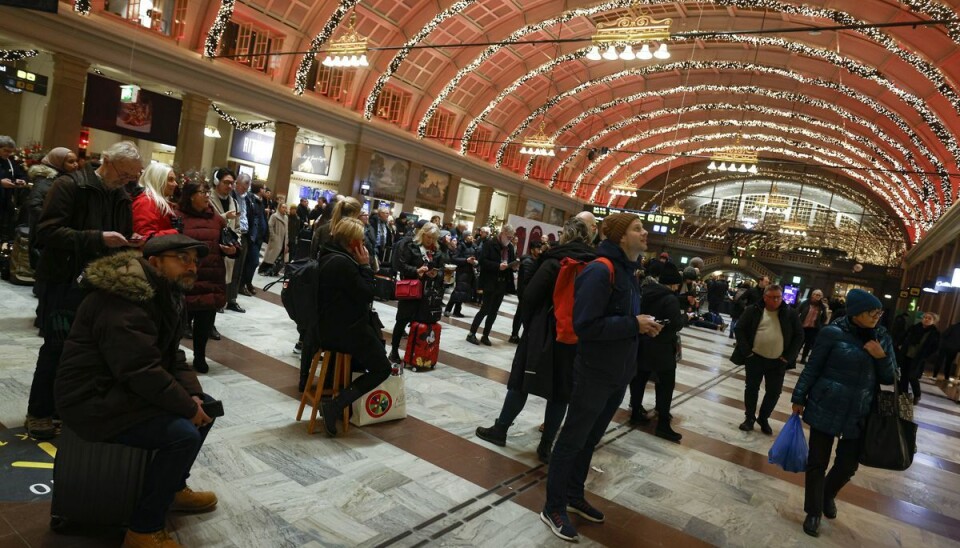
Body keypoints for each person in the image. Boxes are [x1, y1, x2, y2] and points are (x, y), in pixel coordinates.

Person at [54, 235, 220, 547]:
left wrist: (193, 397)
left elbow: (172, 357)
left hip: (119, 389)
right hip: (91, 399)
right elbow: (140, 369)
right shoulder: (123, 298)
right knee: (182, 434)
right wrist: (185, 407)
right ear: (154, 261)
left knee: (207, 408)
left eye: (195, 260)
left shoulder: (166, 294)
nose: (192, 266)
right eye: (182, 258)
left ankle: (172, 487)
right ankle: (144, 528)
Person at [541, 213, 662, 542]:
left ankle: (573, 495)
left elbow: (622, 320)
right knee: (571, 440)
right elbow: (586, 325)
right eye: (638, 228)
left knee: (590, 439)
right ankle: (553, 506)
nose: (645, 232)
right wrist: (632, 324)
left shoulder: (629, 272)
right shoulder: (600, 270)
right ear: (622, 237)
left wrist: (643, 325)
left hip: (618, 373)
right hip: (594, 372)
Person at [25, 141, 141, 440]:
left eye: (133, 177)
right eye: (125, 174)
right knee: (57, 347)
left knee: (86, 353)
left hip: (101, 283)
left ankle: (65, 409)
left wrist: (130, 240)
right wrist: (98, 238)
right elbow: (46, 232)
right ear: (107, 161)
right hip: (65, 280)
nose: (128, 181)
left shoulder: (121, 195)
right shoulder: (70, 186)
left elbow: (121, 235)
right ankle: (39, 411)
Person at [475, 219, 594, 463]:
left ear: (566, 235)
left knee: (520, 381)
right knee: (561, 392)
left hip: (544, 330)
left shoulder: (554, 260)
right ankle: (546, 446)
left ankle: (501, 430)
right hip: (573, 335)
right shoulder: (594, 264)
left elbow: (529, 295)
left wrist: (530, 324)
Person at [790, 289, 896, 538]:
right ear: (857, 313)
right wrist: (798, 396)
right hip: (825, 404)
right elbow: (812, 367)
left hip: (860, 410)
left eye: (879, 312)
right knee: (817, 462)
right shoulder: (831, 333)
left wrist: (881, 357)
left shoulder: (882, 337)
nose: (877, 317)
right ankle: (813, 512)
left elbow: (890, 377)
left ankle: (828, 494)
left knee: (848, 465)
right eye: (873, 312)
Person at [315, 218, 393, 436]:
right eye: (361, 241)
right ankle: (336, 405)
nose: (364, 246)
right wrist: (366, 266)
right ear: (352, 243)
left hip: (330, 327)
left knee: (368, 355)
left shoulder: (329, 254)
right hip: (344, 331)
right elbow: (367, 294)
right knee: (382, 368)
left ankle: (341, 406)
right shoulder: (344, 264)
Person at [179, 179, 236, 373]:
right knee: (178, 323)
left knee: (204, 324)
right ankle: (172, 356)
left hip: (210, 278)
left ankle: (199, 356)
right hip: (184, 279)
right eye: (202, 192)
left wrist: (231, 250)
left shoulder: (217, 219)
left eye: (207, 192)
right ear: (190, 196)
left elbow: (233, 244)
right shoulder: (177, 216)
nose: (206, 196)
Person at [732, 284, 803, 435]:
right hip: (755, 358)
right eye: (772, 297)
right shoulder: (754, 310)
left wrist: (789, 357)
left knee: (774, 392)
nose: (776, 300)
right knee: (751, 388)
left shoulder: (790, 313)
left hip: (778, 361)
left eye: (778, 297)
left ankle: (763, 418)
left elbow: (799, 335)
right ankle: (749, 418)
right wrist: (747, 352)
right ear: (765, 297)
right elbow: (739, 329)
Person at [629, 261, 685, 441]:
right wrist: (684, 317)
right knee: (666, 384)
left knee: (639, 379)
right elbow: (676, 324)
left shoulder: (644, 292)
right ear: (673, 283)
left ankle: (635, 412)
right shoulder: (670, 298)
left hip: (642, 344)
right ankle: (663, 424)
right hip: (661, 347)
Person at [389, 222, 445, 363]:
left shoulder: (437, 252)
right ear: (422, 234)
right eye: (428, 237)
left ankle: (414, 352)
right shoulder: (411, 246)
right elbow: (401, 265)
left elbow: (442, 270)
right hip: (411, 290)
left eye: (433, 238)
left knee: (421, 322)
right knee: (402, 320)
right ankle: (394, 350)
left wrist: (436, 275)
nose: (430, 241)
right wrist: (416, 271)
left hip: (428, 294)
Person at [467, 224, 518, 346]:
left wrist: (513, 266)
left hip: (502, 283)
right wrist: (498, 266)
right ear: (502, 233)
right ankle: (471, 333)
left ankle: (485, 335)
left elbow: (511, 260)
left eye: (511, 238)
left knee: (494, 311)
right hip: (490, 281)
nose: (510, 240)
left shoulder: (509, 247)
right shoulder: (490, 243)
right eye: (509, 237)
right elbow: (483, 261)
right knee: (485, 309)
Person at [209, 169, 242, 313]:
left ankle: (210, 323)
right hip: (211, 250)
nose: (229, 186)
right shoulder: (206, 198)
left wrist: (235, 245)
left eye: (232, 184)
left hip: (227, 252)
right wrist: (224, 216)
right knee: (207, 288)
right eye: (226, 182)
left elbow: (238, 227)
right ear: (217, 181)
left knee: (221, 287)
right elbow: (206, 222)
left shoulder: (234, 202)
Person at [896, 312, 940, 403]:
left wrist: (926, 356)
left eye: (929, 318)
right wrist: (900, 345)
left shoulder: (934, 333)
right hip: (906, 355)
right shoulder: (914, 327)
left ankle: (917, 395)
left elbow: (935, 347)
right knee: (904, 376)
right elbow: (904, 337)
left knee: (913, 376)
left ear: (934, 321)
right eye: (925, 317)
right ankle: (903, 395)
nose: (926, 319)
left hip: (918, 358)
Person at [132, 162, 180, 240]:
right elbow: (145, 239)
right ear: (157, 180)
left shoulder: (152, 201)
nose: (175, 184)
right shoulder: (147, 202)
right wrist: (175, 232)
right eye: (170, 179)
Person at [510, 240, 543, 343]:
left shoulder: (532, 260)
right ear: (532, 250)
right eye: (538, 249)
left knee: (520, 314)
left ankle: (515, 335)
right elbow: (527, 280)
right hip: (524, 293)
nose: (540, 251)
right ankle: (514, 335)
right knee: (521, 314)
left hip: (524, 292)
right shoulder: (528, 262)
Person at [239, 180, 267, 296]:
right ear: (260, 190)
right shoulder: (250, 199)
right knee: (253, 262)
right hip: (252, 236)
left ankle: (248, 282)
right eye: (264, 188)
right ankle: (242, 284)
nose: (265, 190)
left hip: (258, 237)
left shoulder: (261, 201)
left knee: (252, 262)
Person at [227, 172, 250, 307]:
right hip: (233, 235)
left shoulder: (246, 198)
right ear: (237, 184)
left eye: (247, 187)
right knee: (230, 268)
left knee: (239, 269)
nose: (245, 189)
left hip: (245, 235)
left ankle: (232, 299)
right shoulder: (232, 197)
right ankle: (225, 298)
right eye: (243, 186)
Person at [443, 232, 478, 318]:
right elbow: (454, 258)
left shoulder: (473, 246)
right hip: (461, 271)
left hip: (469, 272)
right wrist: (466, 260)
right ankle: (448, 309)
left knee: (463, 292)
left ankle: (457, 310)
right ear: (465, 237)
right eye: (469, 235)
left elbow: (476, 257)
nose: (471, 236)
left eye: (471, 235)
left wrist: (474, 262)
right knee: (458, 291)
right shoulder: (461, 246)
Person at [0, 135, 28, 239]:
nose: (8, 154)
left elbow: (19, 175)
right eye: (5, 150)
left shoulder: (10, 162)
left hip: (6, 201)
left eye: (10, 151)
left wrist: (20, 181)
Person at [798, 290, 830, 364]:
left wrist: (820, 325)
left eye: (819, 295)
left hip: (813, 329)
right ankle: (794, 357)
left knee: (808, 345)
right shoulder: (805, 303)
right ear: (812, 295)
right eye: (816, 294)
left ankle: (803, 358)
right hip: (802, 327)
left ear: (821, 297)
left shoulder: (822, 307)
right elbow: (798, 311)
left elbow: (824, 318)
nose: (817, 296)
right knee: (799, 343)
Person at [259, 203, 288, 276]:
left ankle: (272, 271)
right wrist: (273, 236)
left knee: (278, 257)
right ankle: (263, 270)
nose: (284, 209)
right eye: (283, 207)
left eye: (285, 208)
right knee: (270, 256)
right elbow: (270, 226)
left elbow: (287, 230)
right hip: (276, 239)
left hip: (283, 240)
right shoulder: (274, 216)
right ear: (279, 208)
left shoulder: (286, 218)